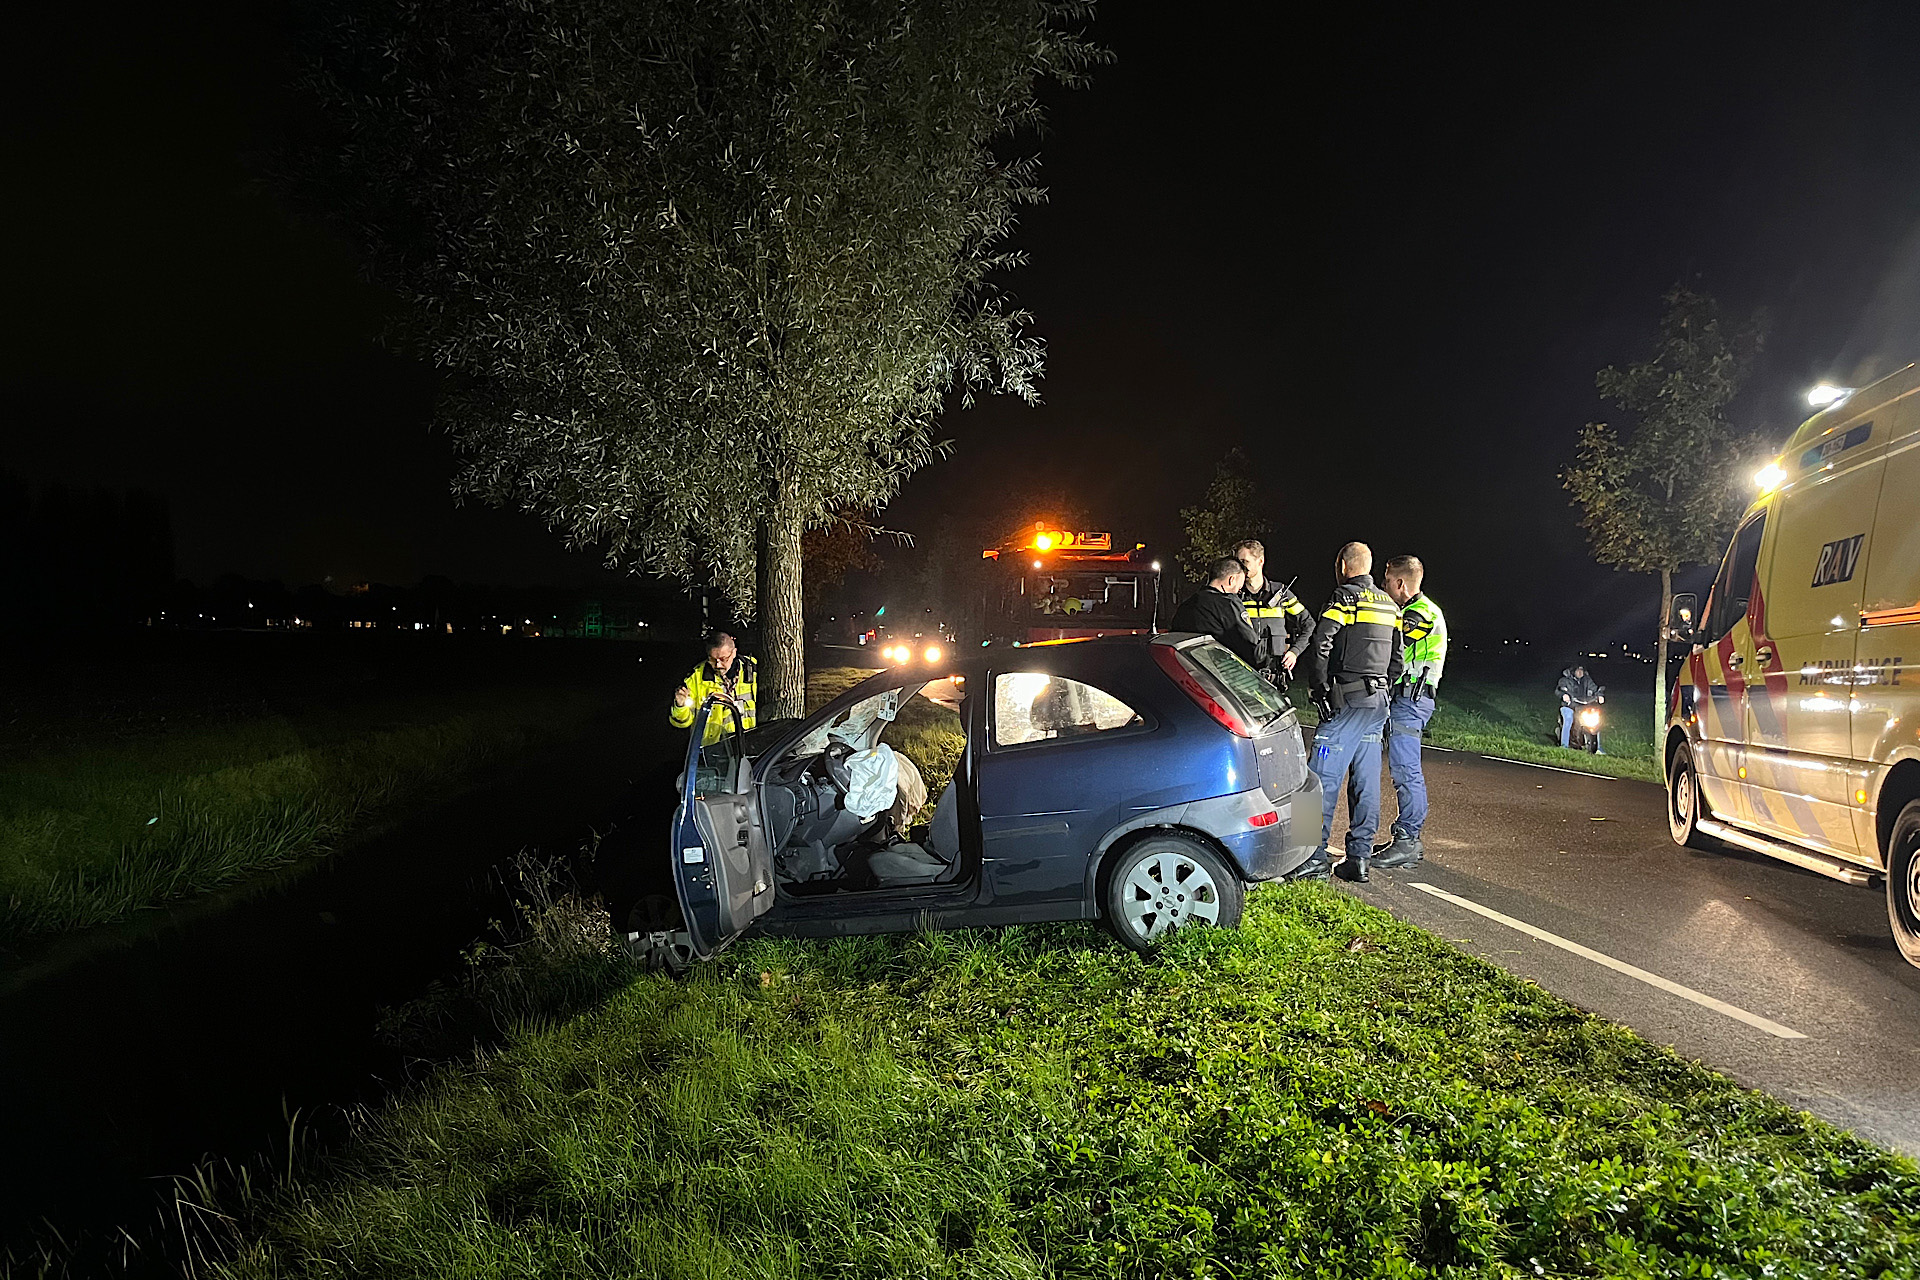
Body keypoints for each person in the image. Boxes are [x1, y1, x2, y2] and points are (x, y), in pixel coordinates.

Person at [1290, 541, 1403, 884]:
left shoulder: (1343, 599)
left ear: (1343, 566)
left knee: (1314, 780)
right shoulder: (1390, 606)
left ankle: (1308, 855)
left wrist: (1319, 688)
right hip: (1377, 704)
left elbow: (1321, 643)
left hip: (1346, 702)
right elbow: (1397, 660)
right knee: (1366, 781)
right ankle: (1359, 858)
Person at [1372, 555, 1447, 870]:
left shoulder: (1420, 614)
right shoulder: (1416, 610)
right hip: (1405, 700)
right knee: (1403, 769)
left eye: (1387, 581)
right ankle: (1404, 839)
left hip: (1411, 700)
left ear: (1400, 583)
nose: (1383, 586)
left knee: (1406, 770)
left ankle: (1408, 840)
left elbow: (1391, 639)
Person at [1231, 538, 1315, 682]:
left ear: (1260, 561)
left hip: (1274, 676)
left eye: (1245, 562)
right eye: (1238, 562)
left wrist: (1295, 652)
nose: (1240, 567)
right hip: (1241, 676)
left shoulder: (1281, 594)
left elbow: (1309, 624)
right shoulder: (1234, 596)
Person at [1169, 556, 1263, 668]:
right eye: (1239, 588)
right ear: (1231, 579)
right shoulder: (1229, 604)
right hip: (1223, 676)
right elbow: (1251, 648)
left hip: (1188, 675)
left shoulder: (1186, 606)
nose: (1239, 592)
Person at [670, 630, 758, 745]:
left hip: (751, 746)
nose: (718, 665)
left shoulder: (753, 669)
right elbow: (681, 723)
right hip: (713, 751)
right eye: (712, 659)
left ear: (734, 652)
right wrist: (680, 706)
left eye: (723, 659)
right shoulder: (696, 677)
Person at [1556, 663, 1603, 752]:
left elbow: (1595, 689)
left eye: (1582, 670)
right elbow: (1559, 689)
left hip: (1583, 707)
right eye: (1578, 670)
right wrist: (1564, 695)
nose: (1580, 672)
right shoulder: (1565, 680)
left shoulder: (1587, 680)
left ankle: (1598, 748)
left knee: (1596, 723)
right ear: (1573, 671)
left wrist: (1599, 695)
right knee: (1568, 719)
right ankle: (1564, 746)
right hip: (1569, 706)